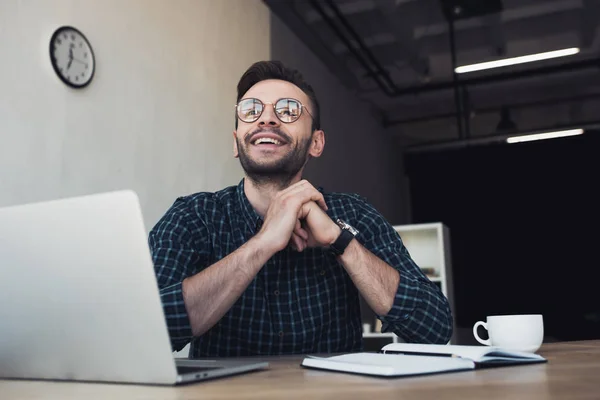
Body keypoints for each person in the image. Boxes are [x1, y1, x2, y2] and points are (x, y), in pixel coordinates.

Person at [149, 60, 453, 357]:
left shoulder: (355, 214)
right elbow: (150, 332)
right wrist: (263, 243)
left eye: (288, 110)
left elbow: (434, 329)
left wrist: (341, 241)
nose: (266, 119)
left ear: (316, 143)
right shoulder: (192, 217)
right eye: (251, 110)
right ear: (236, 141)